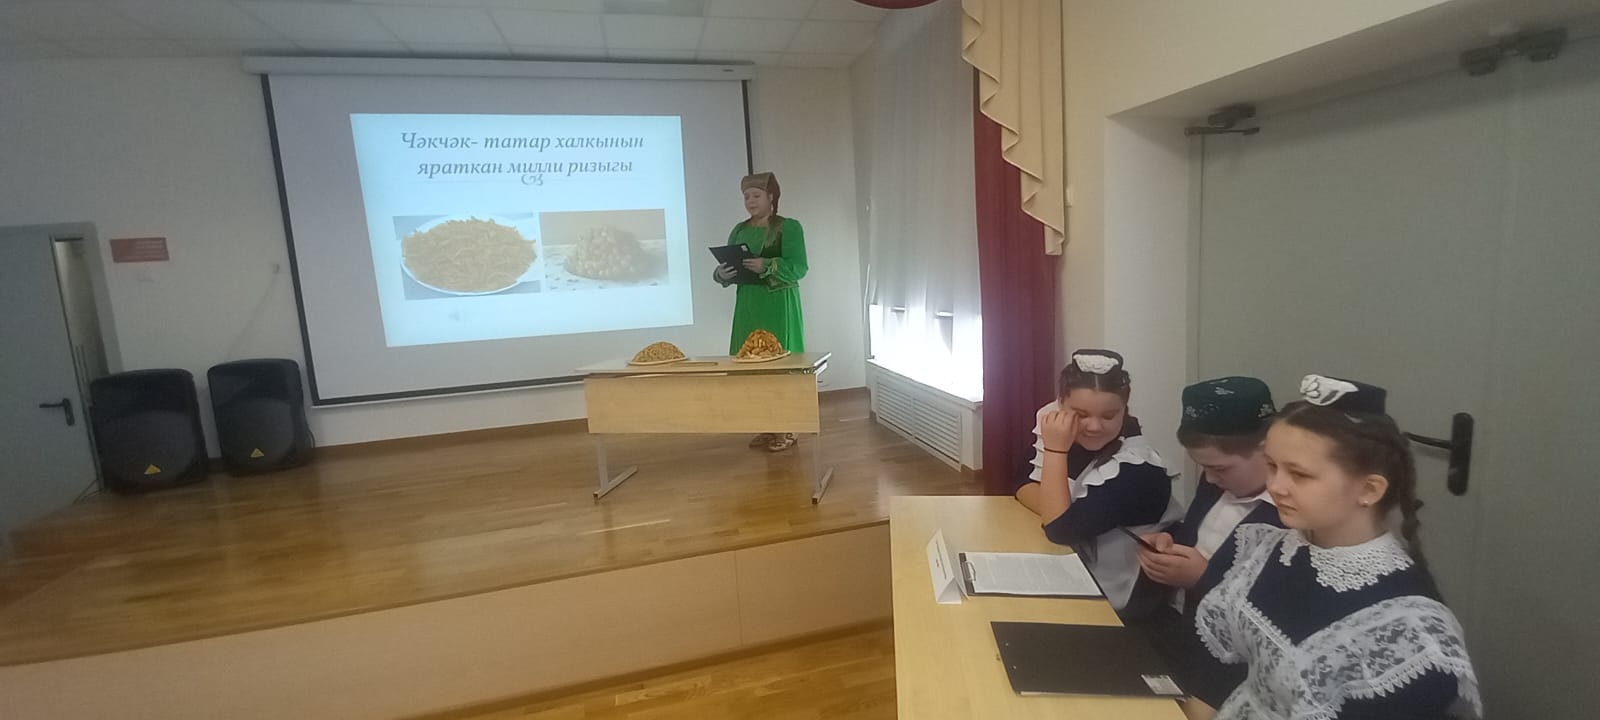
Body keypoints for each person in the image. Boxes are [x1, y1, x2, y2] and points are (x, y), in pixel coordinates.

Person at [1193, 375, 1480, 719]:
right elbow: (1219, 670)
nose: (1277, 486)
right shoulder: (1269, 546)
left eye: (1299, 474)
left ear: (1369, 490)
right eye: (1272, 466)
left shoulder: (1409, 632)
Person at [1125, 376, 1283, 707]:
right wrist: (1168, 542)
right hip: (1167, 628)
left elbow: (1272, 607)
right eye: (1203, 468)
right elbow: (1201, 534)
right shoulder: (1215, 481)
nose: (1210, 478)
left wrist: (1203, 577)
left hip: (1218, 665)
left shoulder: (1288, 516)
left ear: (1267, 449)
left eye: (1219, 468)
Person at [1013, 349, 1181, 611]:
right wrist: (1063, 509)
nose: (1094, 426)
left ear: (1124, 409)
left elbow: (1059, 529)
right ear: (1060, 404)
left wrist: (1056, 452)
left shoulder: (1138, 470)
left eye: (1109, 416)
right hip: (1071, 567)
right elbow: (1020, 484)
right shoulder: (1066, 434)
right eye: (1080, 415)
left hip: (1118, 598)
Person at [715, 171, 807, 453]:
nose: (750, 201)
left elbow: (799, 267)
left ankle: (787, 427)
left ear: (771, 196)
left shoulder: (788, 227)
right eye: (746, 197)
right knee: (751, 363)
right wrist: (721, 274)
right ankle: (767, 425)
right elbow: (729, 267)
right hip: (749, 304)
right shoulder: (739, 230)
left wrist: (768, 266)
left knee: (779, 362)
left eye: (756, 195)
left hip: (778, 304)